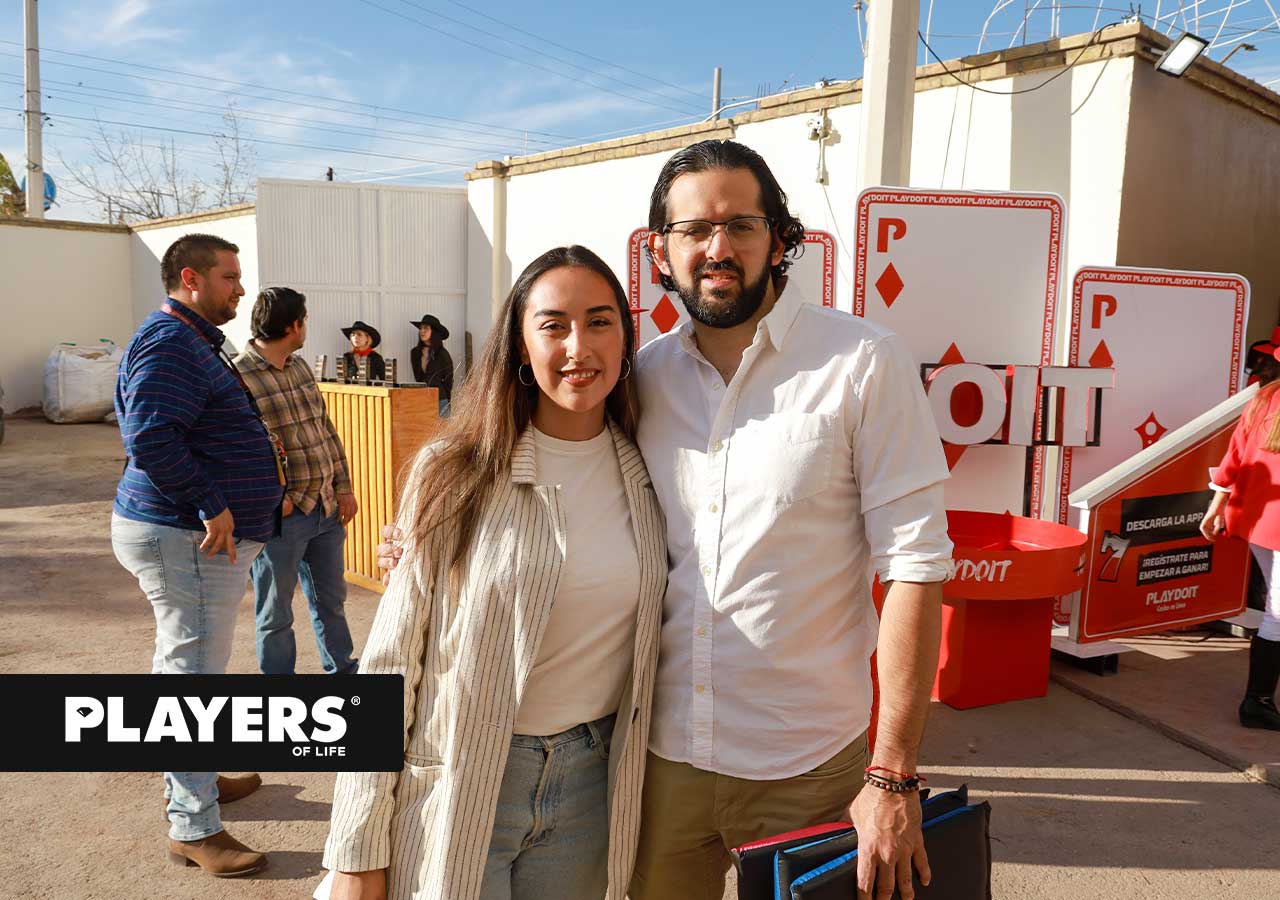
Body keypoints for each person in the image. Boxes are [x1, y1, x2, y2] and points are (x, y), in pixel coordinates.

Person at [378, 140, 954, 900]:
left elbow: (915, 565)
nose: (719, 249)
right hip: (657, 760)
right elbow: (545, 468)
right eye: (695, 230)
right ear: (661, 251)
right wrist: (431, 542)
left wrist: (892, 775)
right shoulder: (639, 375)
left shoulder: (862, 363)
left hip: (807, 762)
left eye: (742, 226)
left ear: (781, 241)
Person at [322, 246, 668, 900]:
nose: (578, 347)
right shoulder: (454, 472)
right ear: (519, 342)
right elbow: (391, 663)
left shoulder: (651, 472)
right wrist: (356, 844)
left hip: (593, 787)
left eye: (599, 322)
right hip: (465, 773)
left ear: (627, 338)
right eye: (554, 325)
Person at [112, 233, 285, 877]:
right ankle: (193, 825)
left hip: (186, 535)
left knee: (182, 666)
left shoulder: (187, 340)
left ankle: (199, 777)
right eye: (231, 276)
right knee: (193, 681)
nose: (241, 288)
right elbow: (151, 435)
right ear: (192, 278)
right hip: (187, 535)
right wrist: (212, 503)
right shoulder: (172, 341)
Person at [234, 287, 360, 676]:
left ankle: (343, 676)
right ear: (293, 325)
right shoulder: (237, 376)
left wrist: (343, 486)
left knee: (331, 603)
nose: (307, 327)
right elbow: (235, 454)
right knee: (275, 614)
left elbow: (324, 430)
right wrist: (272, 502)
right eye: (304, 319)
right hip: (280, 522)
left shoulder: (301, 367)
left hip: (325, 511)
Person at [1201, 330, 1280, 731]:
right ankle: (1257, 702)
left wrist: (1216, 508)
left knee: (1276, 606)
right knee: (1278, 614)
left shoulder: (1263, 396)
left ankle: (1261, 699)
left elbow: (1234, 457)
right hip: (1274, 522)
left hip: (1254, 519)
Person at [409, 314, 454, 412]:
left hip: (440, 399)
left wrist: (447, 402)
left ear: (434, 332)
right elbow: (418, 378)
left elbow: (448, 381)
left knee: (442, 427)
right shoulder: (415, 353)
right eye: (421, 328)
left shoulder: (442, 354)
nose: (422, 331)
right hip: (422, 398)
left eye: (426, 328)